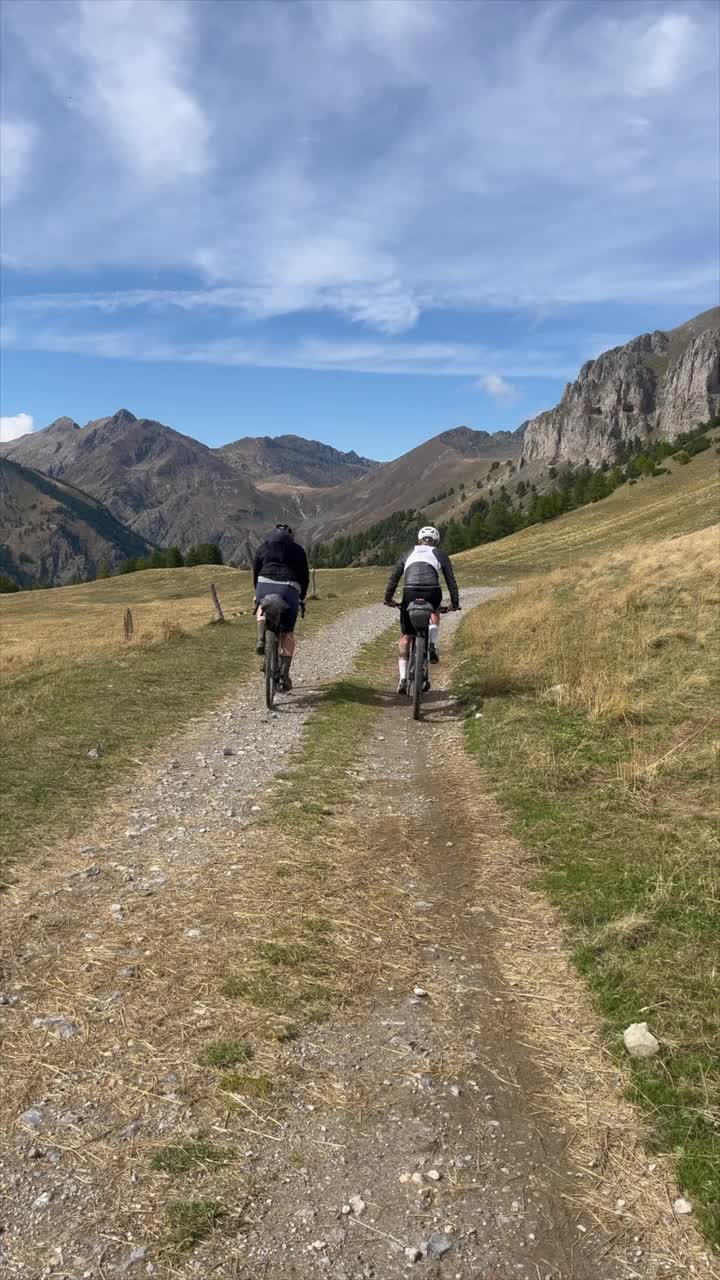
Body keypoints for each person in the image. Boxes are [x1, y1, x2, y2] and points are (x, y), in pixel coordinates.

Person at [384, 525, 460, 694]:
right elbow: (450, 580)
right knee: (435, 610)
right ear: (436, 541)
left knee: (405, 636)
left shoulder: (408, 553)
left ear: (419, 540)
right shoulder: (439, 553)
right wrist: (455, 603)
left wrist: (388, 599)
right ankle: (432, 645)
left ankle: (403, 679)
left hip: (409, 591)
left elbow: (394, 577)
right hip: (432, 591)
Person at [253, 524, 310, 692]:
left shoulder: (264, 546)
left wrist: (257, 590)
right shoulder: (298, 550)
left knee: (261, 607)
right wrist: (301, 597)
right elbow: (304, 577)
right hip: (288, 589)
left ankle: (261, 638)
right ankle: (284, 675)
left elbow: (256, 570)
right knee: (288, 633)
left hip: (263, 583)